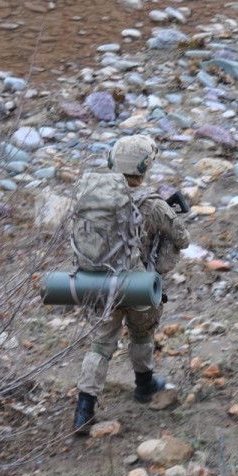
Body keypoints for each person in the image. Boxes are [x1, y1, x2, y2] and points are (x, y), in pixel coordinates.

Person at [72, 135, 190, 435]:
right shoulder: (152, 204)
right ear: (144, 167)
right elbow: (182, 239)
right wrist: (173, 212)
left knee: (100, 344)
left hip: (97, 283)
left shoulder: (90, 195)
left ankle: (83, 410)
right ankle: (144, 385)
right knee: (141, 334)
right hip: (137, 284)